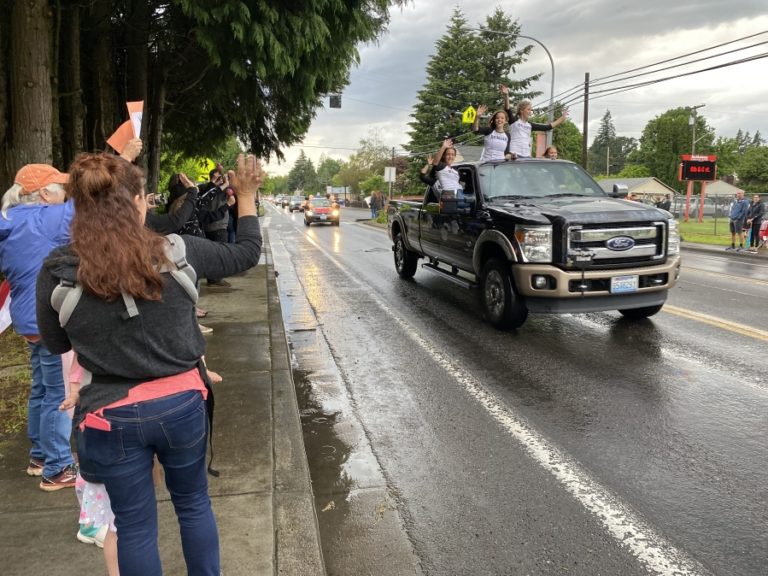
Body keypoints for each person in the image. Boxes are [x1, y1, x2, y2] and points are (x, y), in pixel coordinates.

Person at [36, 152, 264, 575]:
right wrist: (246, 194)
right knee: (194, 505)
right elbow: (247, 251)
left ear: (79, 207)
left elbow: (53, 342)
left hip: (109, 415)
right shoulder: (177, 251)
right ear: (139, 201)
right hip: (182, 405)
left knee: (135, 527)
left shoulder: (59, 270)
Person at [0, 164, 78, 490]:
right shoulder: (44, 218)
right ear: (44, 194)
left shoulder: (8, 221)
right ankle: (57, 467)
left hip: (26, 319)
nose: (66, 195)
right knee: (57, 394)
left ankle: (39, 456)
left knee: (42, 388)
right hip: (48, 319)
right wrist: (124, 157)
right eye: (61, 188)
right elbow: (92, 199)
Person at [501, 85, 568, 158]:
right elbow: (507, 109)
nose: (530, 112)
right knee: (509, 158)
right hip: (514, 154)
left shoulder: (530, 125)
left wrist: (562, 118)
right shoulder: (514, 121)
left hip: (526, 155)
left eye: (531, 110)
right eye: (528, 109)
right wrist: (506, 95)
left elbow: (547, 127)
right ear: (521, 110)